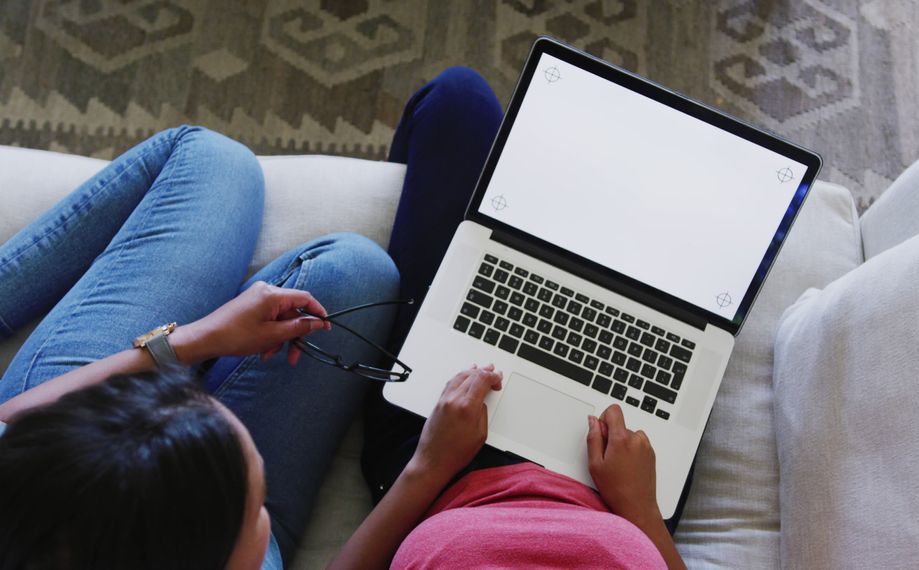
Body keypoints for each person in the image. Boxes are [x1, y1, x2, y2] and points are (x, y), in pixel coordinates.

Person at [0, 68, 688, 569]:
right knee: (460, 111)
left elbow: (15, 431)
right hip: (518, 483)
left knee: (329, 254)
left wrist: (199, 339)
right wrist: (642, 515)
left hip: (82, 472)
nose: (266, 515)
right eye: (256, 507)